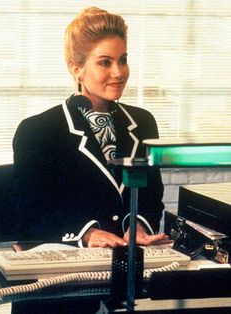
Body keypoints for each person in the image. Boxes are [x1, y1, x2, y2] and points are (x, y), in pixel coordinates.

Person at [12, 7, 171, 313]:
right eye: (105, 62)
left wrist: (137, 226)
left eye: (123, 60)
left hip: (126, 281)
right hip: (61, 290)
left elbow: (152, 195)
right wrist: (87, 233)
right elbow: (30, 213)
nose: (118, 72)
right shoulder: (38, 130)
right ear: (76, 69)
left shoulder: (143, 122)